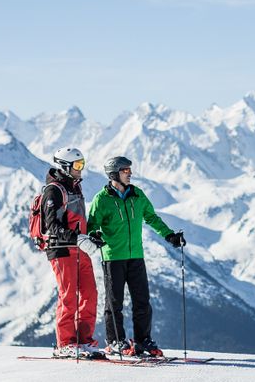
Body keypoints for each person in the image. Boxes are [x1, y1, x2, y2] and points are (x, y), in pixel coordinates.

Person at [87, 156, 185, 357]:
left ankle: (143, 341)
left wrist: (169, 235)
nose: (130, 174)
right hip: (113, 257)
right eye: (125, 171)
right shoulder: (102, 199)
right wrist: (94, 234)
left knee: (142, 301)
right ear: (114, 174)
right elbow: (92, 225)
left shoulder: (137, 195)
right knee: (114, 302)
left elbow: (151, 217)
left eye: (130, 170)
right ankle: (115, 341)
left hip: (136, 256)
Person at [41, 147, 104, 359]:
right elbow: (52, 226)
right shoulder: (54, 190)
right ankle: (65, 343)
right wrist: (78, 238)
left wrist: (90, 236)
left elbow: (78, 221)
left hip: (80, 248)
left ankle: (84, 340)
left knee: (89, 294)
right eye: (77, 165)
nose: (81, 169)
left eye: (82, 164)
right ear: (65, 167)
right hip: (61, 248)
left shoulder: (75, 188)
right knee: (68, 296)